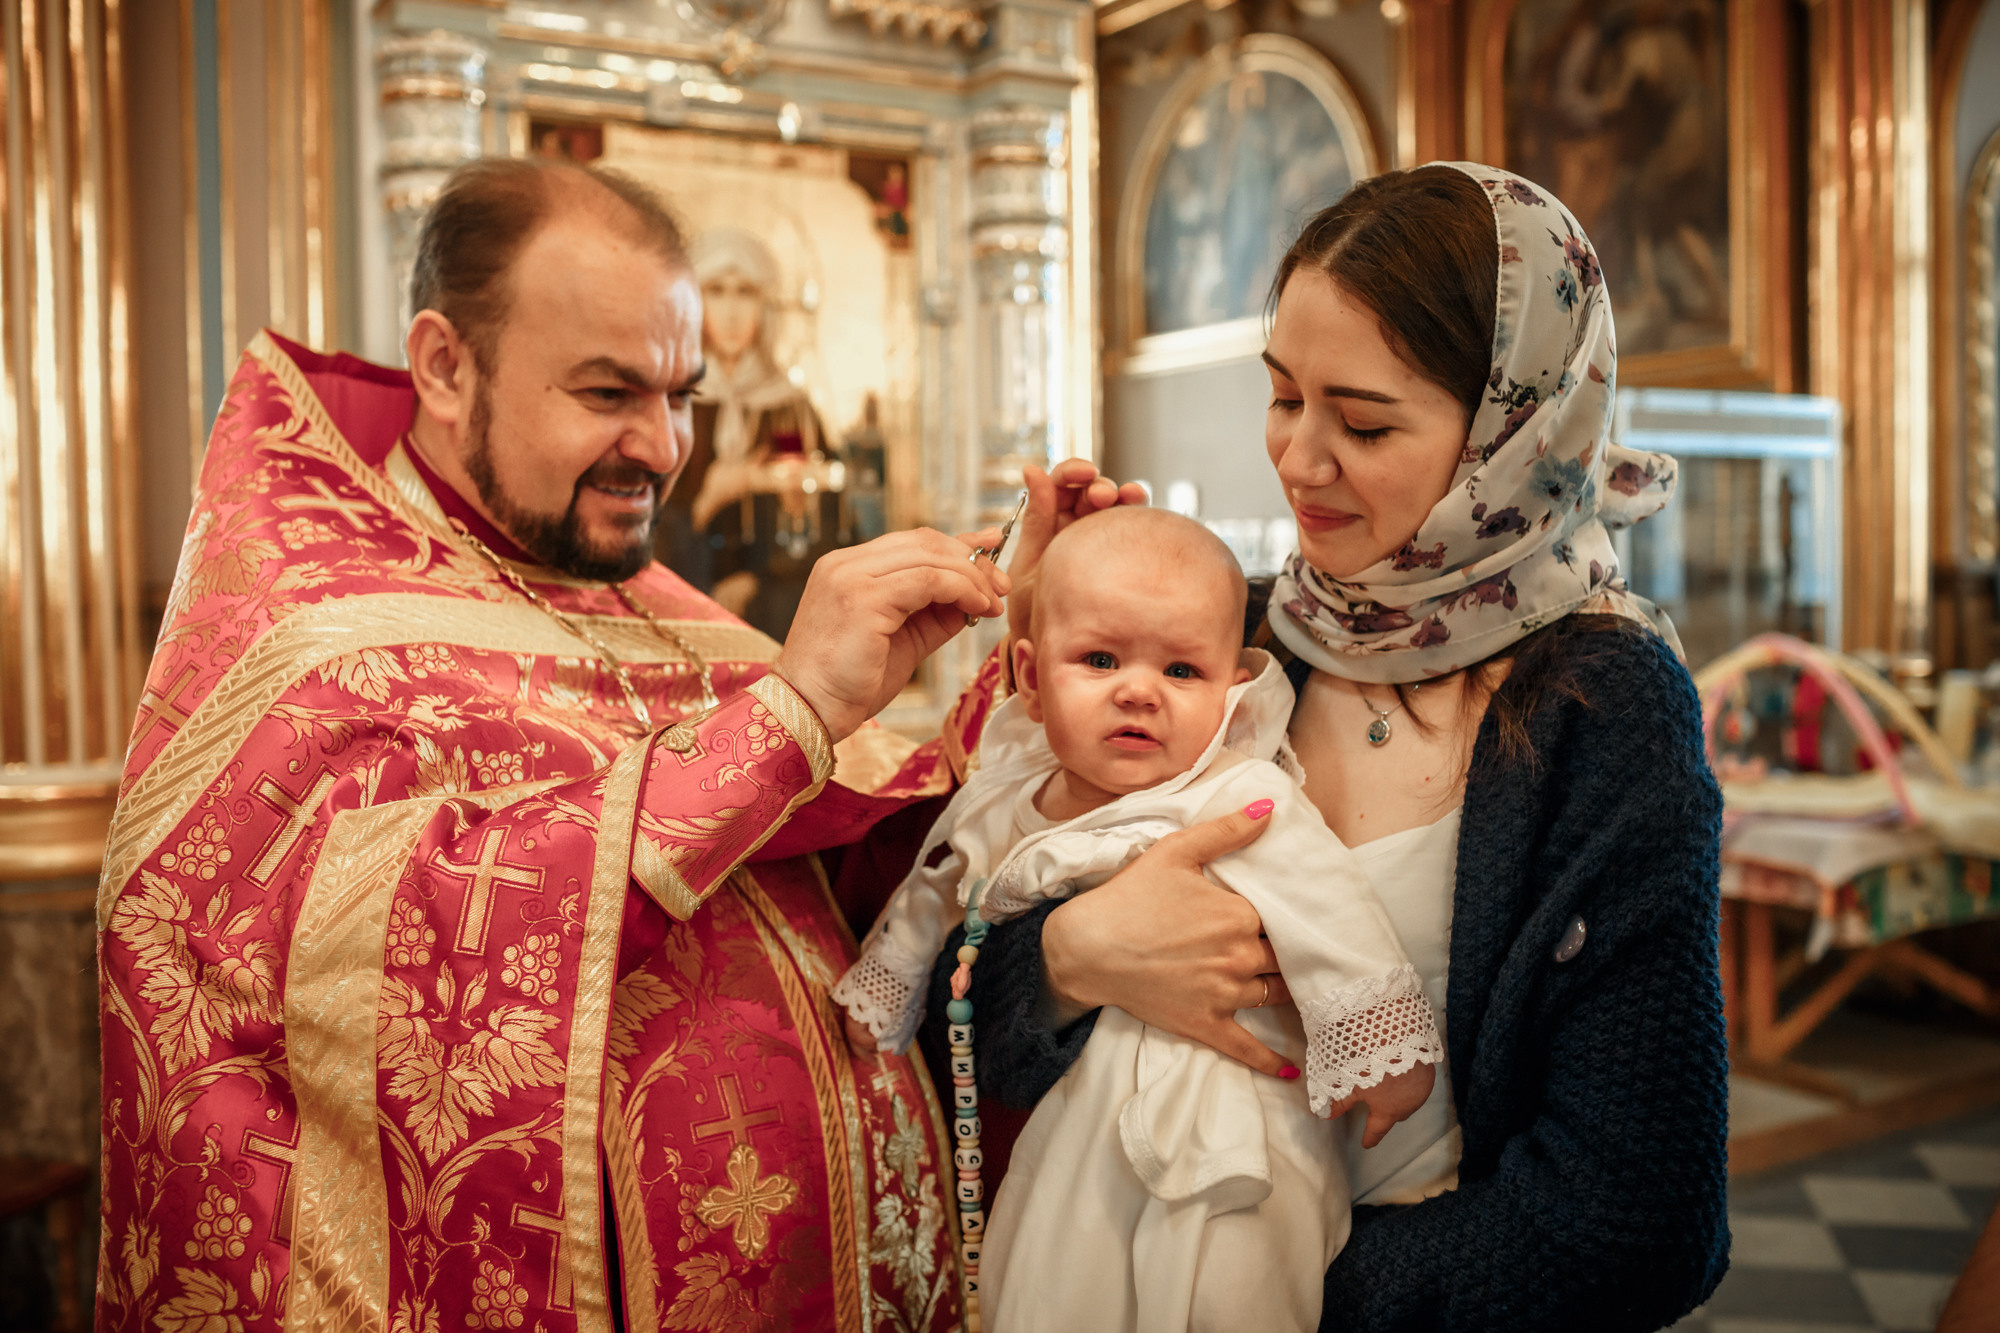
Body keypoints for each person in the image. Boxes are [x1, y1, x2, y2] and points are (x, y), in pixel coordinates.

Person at [93, 155, 1078, 1331]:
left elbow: (839, 868)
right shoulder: (311, 639)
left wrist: (1043, 670)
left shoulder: (637, 593)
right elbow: (365, 974)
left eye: (681, 395)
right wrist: (784, 716)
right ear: (445, 366)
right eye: (609, 392)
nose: (662, 446)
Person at [938, 163, 1730, 1331]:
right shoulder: (1237, 635)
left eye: (1361, 423)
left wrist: (1253, 1294)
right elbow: (960, 990)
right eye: (1281, 397)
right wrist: (1067, 958)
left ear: (1510, 434)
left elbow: (1636, 1221)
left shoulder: (1602, 703)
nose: (1298, 459)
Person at [835, 506, 1442, 1333]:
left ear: (1230, 690)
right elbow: (935, 892)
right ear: (1029, 675)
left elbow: (1328, 903)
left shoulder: (1234, 793)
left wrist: (1381, 1044)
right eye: (1100, 659)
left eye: (1182, 670)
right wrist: (886, 983)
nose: (1138, 689)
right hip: (1081, 1114)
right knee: (1052, 1275)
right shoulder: (1002, 801)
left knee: (1235, 1289)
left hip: (1235, 1112)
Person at [654, 226, 836, 639]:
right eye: (717, 291)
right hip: (683, 608)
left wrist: (758, 580)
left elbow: (814, 527)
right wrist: (709, 499)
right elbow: (643, 527)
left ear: (764, 305)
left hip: (772, 614)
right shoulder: (673, 400)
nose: (732, 312)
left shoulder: (787, 410)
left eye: (745, 292)